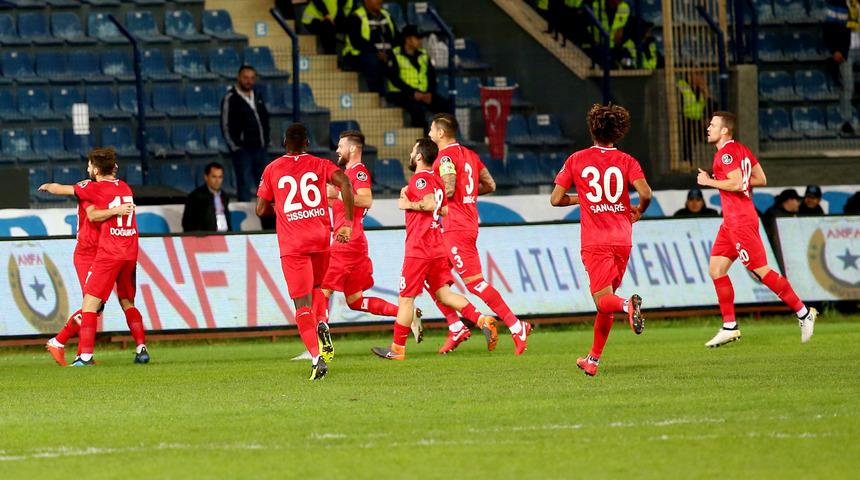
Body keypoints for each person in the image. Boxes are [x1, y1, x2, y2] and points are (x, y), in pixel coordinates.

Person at [289, 130, 420, 360]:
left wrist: (337, 195)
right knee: (355, 301)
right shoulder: (346, 175)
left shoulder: (358, 173)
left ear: (352, 148)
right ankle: (405, 314)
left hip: (345, 242)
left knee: (323, 289)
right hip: (354, 242)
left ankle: (319, 347)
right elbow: (340, 203)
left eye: (341, 145)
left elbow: (366, 199)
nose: (337, 150)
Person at [697, 111, 817, 347]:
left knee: (761, 272)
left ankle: (804, 313)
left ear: (724, 130)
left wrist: (709, 182)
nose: (708, 128)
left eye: (713, 125)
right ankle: (729, 326)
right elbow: (760, 179)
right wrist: (735, 180)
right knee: (716, 269)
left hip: (740, 221)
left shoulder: (727, 153)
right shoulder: (741, 150)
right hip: (730, 222)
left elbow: (735, 182)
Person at [371, 138, 495, 361]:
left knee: (406, 299)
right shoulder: (438, 181)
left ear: (419, 156)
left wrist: (407, 204)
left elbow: (428, 204)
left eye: (412, 150)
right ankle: (481, 320)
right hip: (437, 246)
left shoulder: (419, 180)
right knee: (444, 294)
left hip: (419, 248)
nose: (410, 154)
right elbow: (444, 210)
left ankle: (397, 349)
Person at [550, 104, 650, 377]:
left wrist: (582, 198)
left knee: (605, 301)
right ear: (619, 132)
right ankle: (593, 360)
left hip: (596, 240)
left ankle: (628, 305)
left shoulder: (577, 159)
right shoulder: (629, 161)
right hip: (622, 238)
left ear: (592, 128)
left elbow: (556, 199)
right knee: (606, 302)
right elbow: (646, 193)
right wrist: (639, 210)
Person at [256, 123, 355, 380]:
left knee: (301, 304)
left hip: (294, 243)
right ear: (307, 143)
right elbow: (345, 182)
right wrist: (348, 222)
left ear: (284, 143)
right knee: (319, 287)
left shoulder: (272, 169)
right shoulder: (320, 164)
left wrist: (279, 209)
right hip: (320, 238)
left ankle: (315, 357)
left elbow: (260, 209)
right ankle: (322, 320)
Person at [429, 113, 532, 355]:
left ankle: (517, 326)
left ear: (441, 133)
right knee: (431, 274)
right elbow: (490, 185)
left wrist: (434, 202)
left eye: (432, 129)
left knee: (475, 283)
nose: (430, 133)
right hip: (466, 223)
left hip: (455, 226)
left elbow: (450, 184)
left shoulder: (445, 156)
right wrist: (469, 198)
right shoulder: (470, 155)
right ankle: (456, 326)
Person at [37, 156, 147, 366]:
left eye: (89, 164)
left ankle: (67, 347)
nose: (87, 168)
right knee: (94, 305)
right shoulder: (89, 189)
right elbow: (92, 215)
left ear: (96, 169)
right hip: (89, 253)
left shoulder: (106, 189)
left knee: (95, 306)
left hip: (106, 252)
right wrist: (50, 186)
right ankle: (69, 348)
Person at [221, 65, 271, 202]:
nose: (249, 81)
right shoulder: (230, 98)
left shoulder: (258, 96)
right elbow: (225, 125)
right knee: (243, 185)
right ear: (239, 78)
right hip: (243, 151)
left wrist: (265, 141)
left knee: (265, 186)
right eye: (246, 78)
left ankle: (266, 219)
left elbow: (265, 120)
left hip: (261, 149)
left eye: (252, 78)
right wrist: (235, 147)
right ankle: (246, 221)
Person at [386, 25, 448, 130]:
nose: (420, 41)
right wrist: (413, 93)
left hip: (424, 94)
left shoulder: (423, 54)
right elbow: (395, 79)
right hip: (402, 93)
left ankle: (444, 140)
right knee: (418, 110)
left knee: (445, 106)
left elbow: (431, 76)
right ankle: (423, 142)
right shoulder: (395, 54)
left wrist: (429, 92)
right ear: (408, 39)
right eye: (417, 38)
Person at [342, 0, 397, 94]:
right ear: (366, 1)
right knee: (373, 60)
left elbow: (396, 37)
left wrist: (388, 54)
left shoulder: (386, 15)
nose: (380, 1)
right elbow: (356, 42)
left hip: (383, 54)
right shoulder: (356, 16)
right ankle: (379, 95)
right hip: (356, 55)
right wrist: (377, 52)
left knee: (399, 59)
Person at [824, 0, 859, 135]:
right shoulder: (836, 3)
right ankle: (847, 122)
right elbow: (828, 28)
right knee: (848, 86)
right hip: (846, 51)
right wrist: (835, 50)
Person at [182, 162, 232, 233]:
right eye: (214, 177)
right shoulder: (196, 196)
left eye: (220, 177)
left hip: (225, 237)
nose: (217, 181)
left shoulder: (224, 196)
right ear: (206, 177)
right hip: (205, 239)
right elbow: (187, 223)